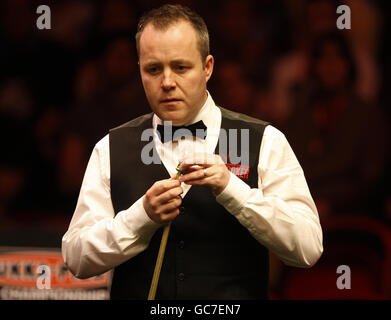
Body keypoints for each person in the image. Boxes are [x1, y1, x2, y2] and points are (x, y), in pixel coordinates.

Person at [62, 4, 323, 300]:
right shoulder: (111, 147)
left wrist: (232, 190)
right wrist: (141, 216)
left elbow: (308, 248)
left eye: (181, 67)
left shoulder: (264, 141)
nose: (168, 82)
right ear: (140, 71)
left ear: (207, 67)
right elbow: (77, 258)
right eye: (153, 69)